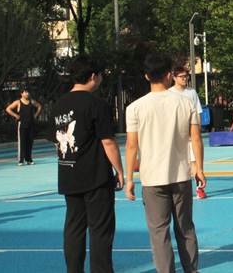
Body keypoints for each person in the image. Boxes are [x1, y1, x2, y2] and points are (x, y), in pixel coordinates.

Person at [125, 53, 205, 273]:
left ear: (146, 76)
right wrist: (199, 167)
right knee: (185, 229)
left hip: (152, 179)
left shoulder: (135, 108)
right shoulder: (186, 103)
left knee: (159, 233)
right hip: (180, 175)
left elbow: (131, 146)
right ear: (169, 75)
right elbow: (196, 138)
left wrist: (129, 179)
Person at [51, 56, 124, 273]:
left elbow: (56, 139)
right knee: (100, 230)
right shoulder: (97, 104)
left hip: (68, 173)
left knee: (74, 228)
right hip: (95, 176)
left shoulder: (58, 104)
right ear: (93, 76)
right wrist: (119, 170)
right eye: (100, 75)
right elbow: (108, 142)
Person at [171, 55, 207, 199]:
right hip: (176, 135)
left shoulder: (191, 92)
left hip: (191, 134)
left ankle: (199, 188)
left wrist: (197, 130)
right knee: (178, 164)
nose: (185, 79)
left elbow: (198, 112)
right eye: (182, 77)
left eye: (186, 76)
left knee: (194, 162)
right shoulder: (169, 93)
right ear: (174, 77)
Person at [6, 86, 42, 165]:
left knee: (30, 142)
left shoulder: (31, 101)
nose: (27, 93)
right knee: (22, 143)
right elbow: (8, 109)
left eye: (28, 92)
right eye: (25, 92)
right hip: (22, 125)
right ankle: (21, 160)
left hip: (31, 125)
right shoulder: (18, 102)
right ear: (21, 94)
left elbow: (39, 106)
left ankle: (29, 159)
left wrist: (35, 115)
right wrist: (15, 115)